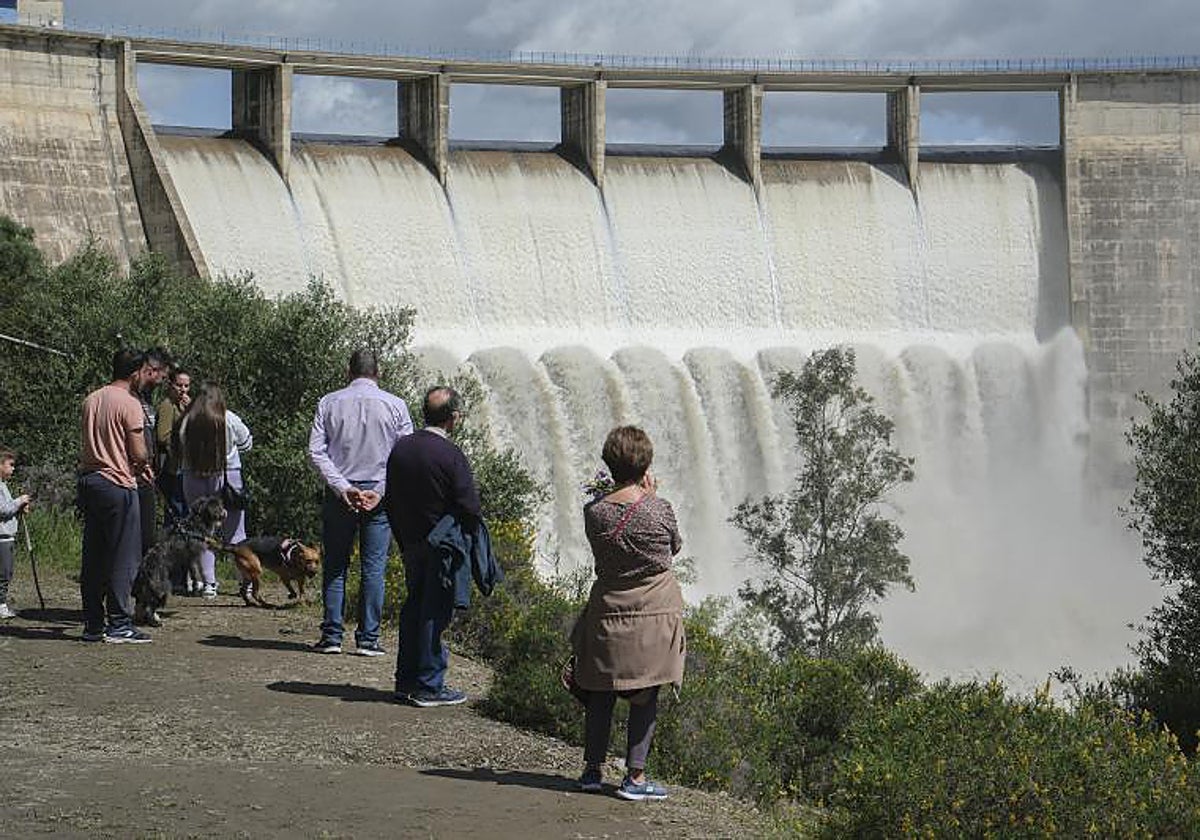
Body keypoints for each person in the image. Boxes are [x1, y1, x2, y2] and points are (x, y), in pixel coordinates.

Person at [572, 425, 685, 801]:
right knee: (646, 692)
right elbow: (675, 546)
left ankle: (591, 771)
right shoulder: (659, 509)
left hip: (607, 611)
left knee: (600, 691)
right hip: (653, 613)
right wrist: (651, 498)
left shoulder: (594, 512)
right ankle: (634, 779)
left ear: (609, 464)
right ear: (646, 465)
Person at [308, 349, 413, 656]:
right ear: (378, 372)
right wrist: (379, 489)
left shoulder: (328, 402)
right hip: (378, 495)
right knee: (373, 568)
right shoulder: (396, 405)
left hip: (340, 492)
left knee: (336, 565)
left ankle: (332, 637)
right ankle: (368, 639)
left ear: (347, 371)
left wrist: (343, 487)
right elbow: (403, 456)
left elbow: (316, 452)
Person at [384, 386, 480, 707]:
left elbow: (391, 499)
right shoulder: (450, 455)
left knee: (413, 608)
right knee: (435, 612)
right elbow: (470, 506)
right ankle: (429, 685)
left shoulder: (401, 449)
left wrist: (401, 536)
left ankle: (405, 680)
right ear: (453, 418)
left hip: (410, 541)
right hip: (442, 546)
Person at [79, 349, 153, 643]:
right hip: (117, 483)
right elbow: (137, 450)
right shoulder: (130, 403)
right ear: (134, 373)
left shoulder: (91, 399)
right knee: (123, 555)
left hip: (89, 480)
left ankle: (93, 624)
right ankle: (120, 624)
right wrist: (144, 465)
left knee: (94, 555)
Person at [178, 383, 252, 598]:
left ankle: (208, 583)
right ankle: (245, 581)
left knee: (202, 532)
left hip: (192, 476)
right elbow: (247, 442)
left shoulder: (187, 419)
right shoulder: (228, 418)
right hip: (228, 476)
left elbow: (179, 445)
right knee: (235, 533)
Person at [133, 348, 171, 557]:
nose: (162, 381)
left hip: (148, 474)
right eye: (162, 376)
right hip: (136, 474)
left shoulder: (146, 397)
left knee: (148, 533)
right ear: (152, 370)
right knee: (142, 534)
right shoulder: (132, 397)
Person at [155, 365, 191, 531]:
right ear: (171, 385)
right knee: (176, 511)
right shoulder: (167, 406)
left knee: (184, 511)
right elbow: (163, 436)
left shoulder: (183, 406)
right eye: (179, 385)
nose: (183, 390)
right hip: (172, 467)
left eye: (186, 386)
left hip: (184, 467)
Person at [0, 448, 32, 620]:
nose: (13, 469)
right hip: (1, 538)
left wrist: (18, 508)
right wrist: (19, 501)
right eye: (10, 465)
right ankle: (1, 605)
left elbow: (8, 509)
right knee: (3, 573)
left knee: (7, 572)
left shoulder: (3, 486)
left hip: (7, 536)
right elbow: (3, 510)